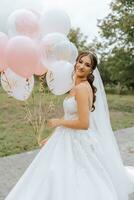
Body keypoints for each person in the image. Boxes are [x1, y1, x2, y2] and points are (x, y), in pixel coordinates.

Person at [5, 51, 134, 200]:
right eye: (80, 62)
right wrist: (51, 137)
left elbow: (84, 124)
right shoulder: (77, 87)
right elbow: (70, 116)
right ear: (75, 63)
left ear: (91, 70)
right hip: (65, 136)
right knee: (56, 172)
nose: (82, 66)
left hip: (76, 139)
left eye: (87, 65)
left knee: (70, 174)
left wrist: (58, 122)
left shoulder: (81, 89)